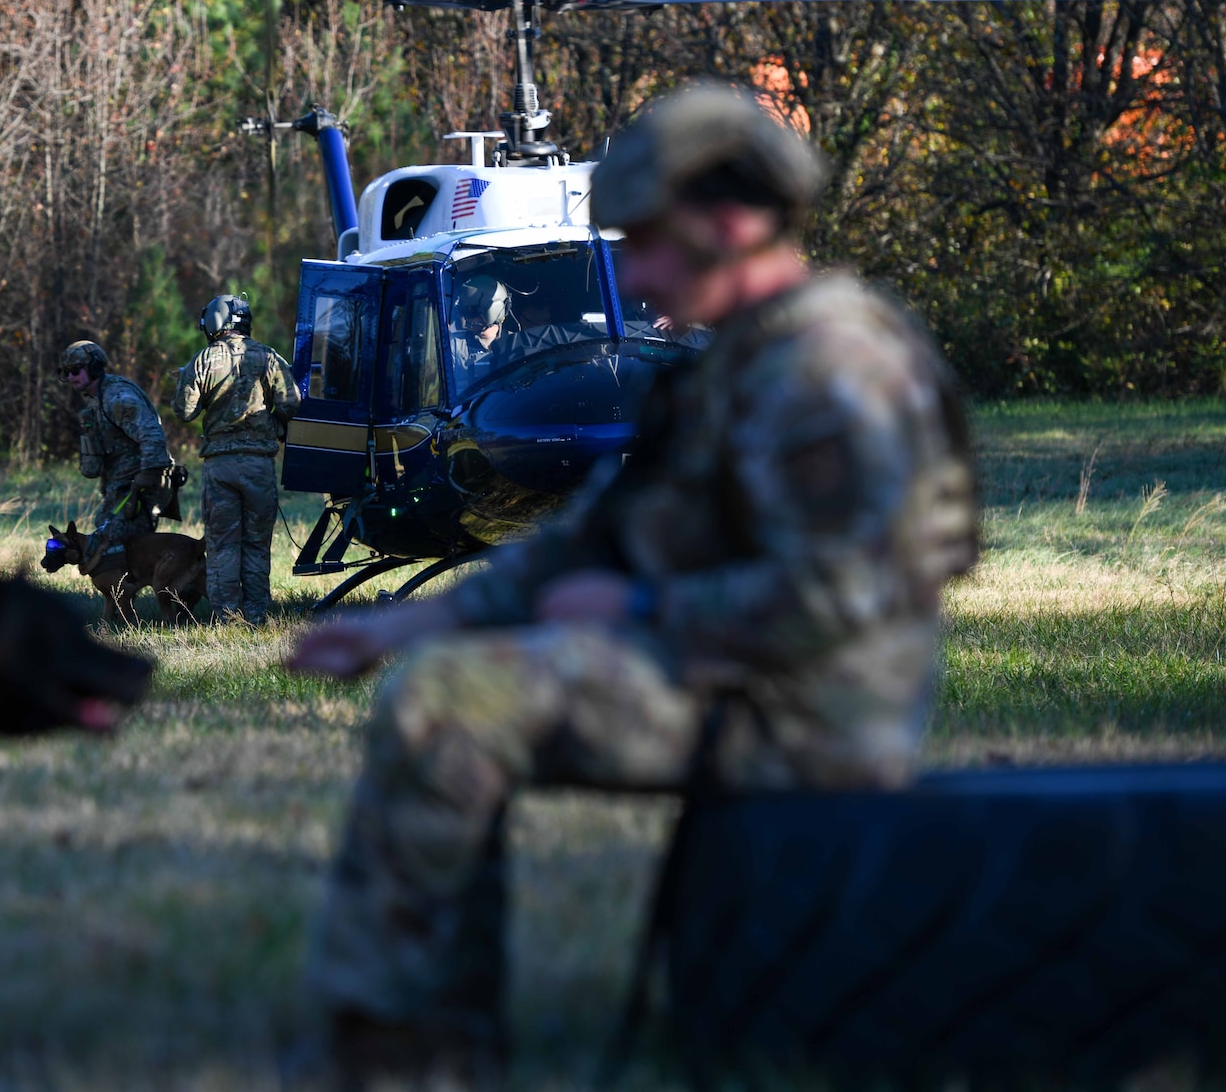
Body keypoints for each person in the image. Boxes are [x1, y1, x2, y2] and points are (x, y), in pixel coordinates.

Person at [286, 82, 980, 1083]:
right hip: (732, 666)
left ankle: (395, 1043)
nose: (630, 276)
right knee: (439, 671)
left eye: (645, 242)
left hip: (810, 703)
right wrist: (413, 622)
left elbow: (845, 598)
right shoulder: (737, 364)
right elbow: (595, 537)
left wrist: (646, 609)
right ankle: (424, 1027)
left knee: (449, 708)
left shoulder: (832, 367)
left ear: (730, 224)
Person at [173, 294, 301, 624]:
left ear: (215, 322)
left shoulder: (203, 359)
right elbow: (291, 403)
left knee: (223, 546)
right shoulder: (270, 357)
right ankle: (256, 615)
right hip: (259, 465)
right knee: (257, 544)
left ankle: (228, 618)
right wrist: (270, 422)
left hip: (220, 466)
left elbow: (184, 411)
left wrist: (185, 379)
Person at [59, 340, 172, 570]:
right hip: (121, 487)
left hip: (137, 490)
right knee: (110, 538)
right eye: (66, 373)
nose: (70, 377)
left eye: (75, 370)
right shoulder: (95, 398)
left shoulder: (118, 398)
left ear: (94, 367)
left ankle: (131, 596)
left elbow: (153, 437)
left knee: (114, 546)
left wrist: (144, 480)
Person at [449, 276, 511, 379]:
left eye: (470, 312)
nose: (466, 318)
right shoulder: (454, 346)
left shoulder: (516, 343)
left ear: (492, 311)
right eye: (464, 311)